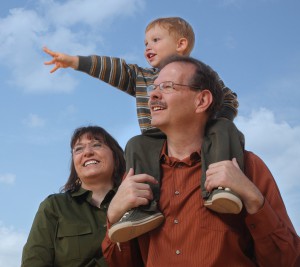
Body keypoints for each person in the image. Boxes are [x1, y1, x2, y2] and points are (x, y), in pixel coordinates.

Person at [43, 17, 244, 243]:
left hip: (196, 134)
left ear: (181, 44)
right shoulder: (142, 77)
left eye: (156, 40)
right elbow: (113, 68)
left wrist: (216, 121)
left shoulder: (200, 74)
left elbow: (229, 98)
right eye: (146, 43)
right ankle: (144, 208)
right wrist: (75, 61)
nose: (148, 46)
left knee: (224, 129)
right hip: (155, 137)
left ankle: (220, 188)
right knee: (135, 144)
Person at [102, 55, 300, 267]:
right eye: (153, 87)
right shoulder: (137, 177)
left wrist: (253, 199)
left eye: (167, 86)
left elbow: (287, 261)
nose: (152, 96)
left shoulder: (246, 166)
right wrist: (113, 215)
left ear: (202, 101)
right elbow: (121, 263)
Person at [21, 126, 125, 267]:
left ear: (115, 155)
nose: (87, 152)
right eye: (79, 149)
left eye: (96, 144)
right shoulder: (54, 206)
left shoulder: (138, 200)